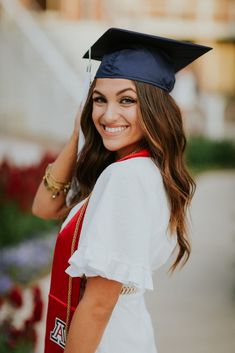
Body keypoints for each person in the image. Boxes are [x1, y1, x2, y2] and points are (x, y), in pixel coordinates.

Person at [32, 28, 212, 353]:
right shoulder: (145, 169)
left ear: (155, 108)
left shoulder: (125, 179)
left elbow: (98, 305)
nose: (108, 114)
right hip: (128, 332)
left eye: (126, 100)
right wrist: (78, 135)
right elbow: (45, 208)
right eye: (99, 100)